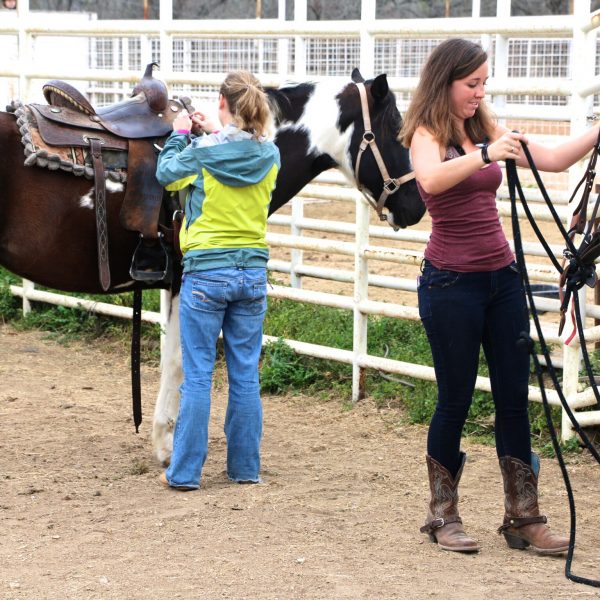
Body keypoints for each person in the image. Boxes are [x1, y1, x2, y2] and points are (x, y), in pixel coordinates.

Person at [401, 38, 600, 554]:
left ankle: (523, 517)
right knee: (455, 399)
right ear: (445, 82)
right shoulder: (426, 133)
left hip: (501, 280)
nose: (480, 92)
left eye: (484, 83)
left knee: (514, 397)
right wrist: (487, 154)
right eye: (472, 84)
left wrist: (599, 131)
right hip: (449, 285)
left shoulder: (484, 125)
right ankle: (443, 515)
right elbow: (430, 178)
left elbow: (552, 159)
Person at [155, 70, 280, 490]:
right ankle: (245, 468)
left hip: (207, 272)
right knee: (245, 375)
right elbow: (241, 153)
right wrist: (218, 132)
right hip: (253, 273)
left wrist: (179, 132)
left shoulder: (203, 151)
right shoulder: (272, 155)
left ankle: (185, 472)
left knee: (198, 375)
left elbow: (168, 174)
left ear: (224, 105)